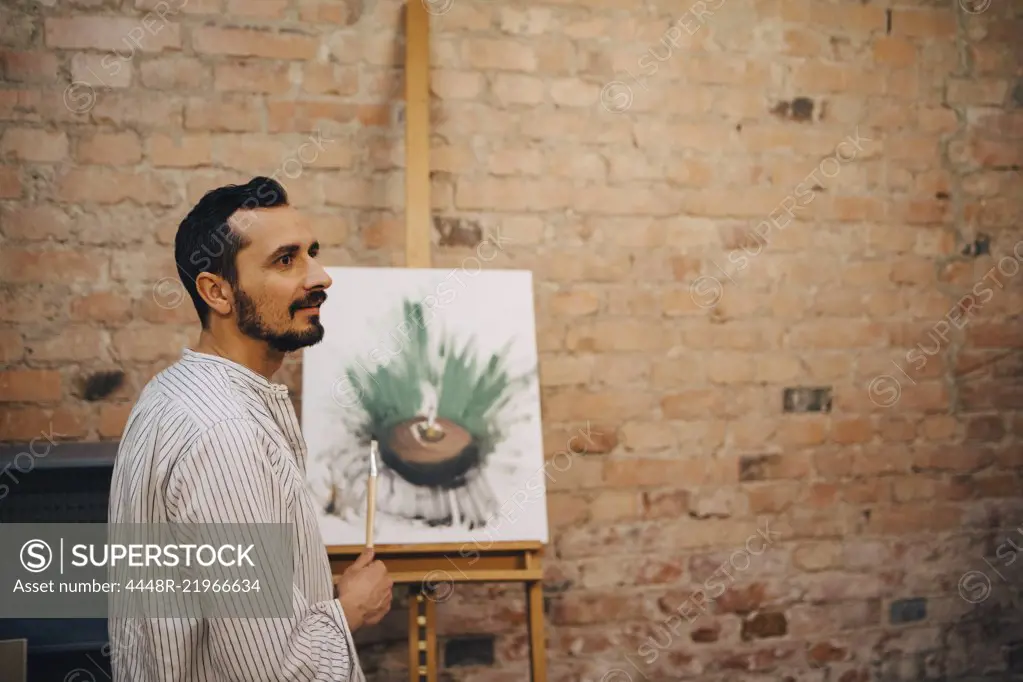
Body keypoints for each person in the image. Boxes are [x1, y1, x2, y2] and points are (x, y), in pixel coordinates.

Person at [107, 176, 392, 681]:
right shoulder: (227, 434)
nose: (320, 276)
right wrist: (350, 609)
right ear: (217, 292)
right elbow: (269, 670)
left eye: (312, 253)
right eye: (286, 260)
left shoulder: (172, 392)